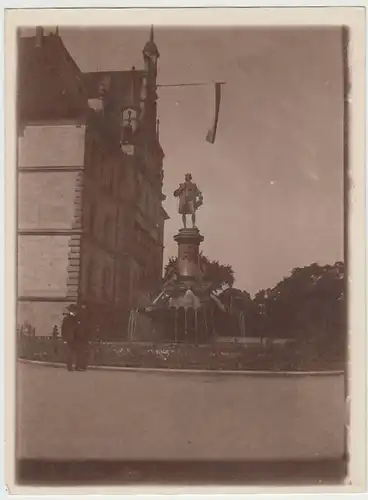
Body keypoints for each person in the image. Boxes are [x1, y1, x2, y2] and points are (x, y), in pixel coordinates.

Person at [61, 304, 87, 371]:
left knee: (77, 352)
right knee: (70, 353)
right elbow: (63, 329)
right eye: (72, 311)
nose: (73, 312)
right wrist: (64, 338)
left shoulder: (77, 318)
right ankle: (70, 367)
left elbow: (80, 328)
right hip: (70, 337)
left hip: (76, 337)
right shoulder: (67, 319)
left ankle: (77, 366)